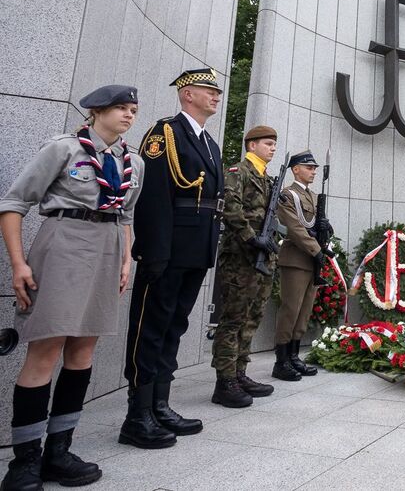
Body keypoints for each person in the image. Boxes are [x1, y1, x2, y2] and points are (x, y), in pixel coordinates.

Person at [0, 85, 143, 489]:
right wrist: (18, 263)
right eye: (120, 108)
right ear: (96, 110)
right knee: (45, 349)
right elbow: (13, 203)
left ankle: (59, 451)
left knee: (82, 351)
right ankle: (25, 460)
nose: (129, 115)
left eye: (133, 110)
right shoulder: (64, 149)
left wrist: (125, 260)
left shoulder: (132, 161)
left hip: (107, 250)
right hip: (65, 242)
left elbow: (125, 215)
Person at [121, 68, 225, 449]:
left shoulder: (210, 144)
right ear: (186, 94)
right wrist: (154, 251)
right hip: (167, 251)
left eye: (217, 91)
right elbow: (154, 198)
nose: (215, 95)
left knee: (174, 326)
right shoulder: (165, 133)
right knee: (150, 327)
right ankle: (137, 415)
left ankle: (160, 405)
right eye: (207, 89)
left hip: (196, 251)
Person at [210, 126, 281, 407]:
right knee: (234, 318)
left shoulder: (266, 178)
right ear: (252, 145)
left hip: (261, 258)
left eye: (274, 144)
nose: (273, 148)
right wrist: (252, 238)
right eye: (268, 143)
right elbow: (231, 207)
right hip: (240, 256)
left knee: (252, 316)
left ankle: (239, 373)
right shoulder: (238, 171)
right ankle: (224, 381)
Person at [272, 151, 328, 381]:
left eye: (314, 168)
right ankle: (281, 361)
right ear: (295, 169)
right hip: (296, 259)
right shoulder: (288, 195)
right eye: (309, 167)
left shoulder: (313, 196)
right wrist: (317, 251)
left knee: (304, 311)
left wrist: (326, 231)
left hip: (311, 260)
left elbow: (314, 226)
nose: (313, 171)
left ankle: (294, 356)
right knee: (291, 310)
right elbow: (295, 228)